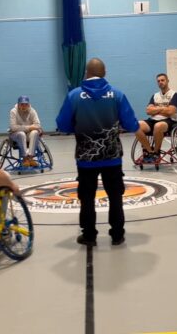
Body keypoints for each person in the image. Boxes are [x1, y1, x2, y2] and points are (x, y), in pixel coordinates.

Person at [56, 58, 139, 247]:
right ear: (105, 73)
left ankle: (89, 235)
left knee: (86, 197)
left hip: (86, 159)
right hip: (112, 158)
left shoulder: (74, 96)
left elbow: (62, 125)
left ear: (86, 73)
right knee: (115, 196)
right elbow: (131, 124)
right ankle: (117, 234)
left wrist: (78, 128)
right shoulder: (117, 95)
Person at [135, 73, 177, 162]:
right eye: (158, 81)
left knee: (158, 126)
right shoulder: (155, 95)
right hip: (153, 120)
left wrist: (155, 109)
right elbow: (148, 111)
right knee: (136, 125)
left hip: (169, 121)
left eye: (162, 80)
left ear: (167, 81)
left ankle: (156, 152)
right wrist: (163, 108)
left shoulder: (174, 95)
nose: (160, 82)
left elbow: (171, 111)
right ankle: (149, 151)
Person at [9, 95, 43, 167]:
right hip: (16, 134)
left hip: (28, 134)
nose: (24, 106)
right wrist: (30, 127)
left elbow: (37, 125)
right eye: (22, 104)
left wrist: (31, 128)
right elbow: (13, 127)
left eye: (26, 104)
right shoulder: (13, 111)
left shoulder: (32, 111)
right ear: (18, 104)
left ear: (28, 104)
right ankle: (25, 158)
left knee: (35, 132)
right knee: (21, 134)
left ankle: (30, 158)